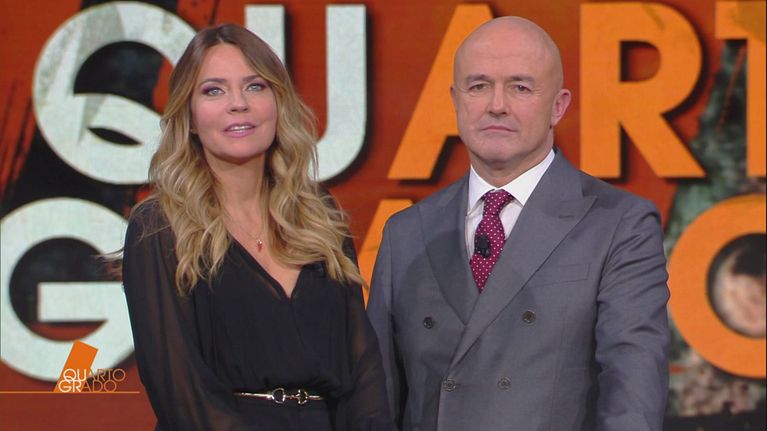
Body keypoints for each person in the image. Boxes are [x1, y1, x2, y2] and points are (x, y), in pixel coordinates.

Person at [367, 16, 670, 431]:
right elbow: (376, 400)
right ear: (455, 100)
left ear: (558, 106)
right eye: (478, 86)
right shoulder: (406, 233)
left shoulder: (619, 225)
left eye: (520, 87)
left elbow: (632, 395)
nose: (497, 105)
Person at [122, 24, 393, 431]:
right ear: (189, 117)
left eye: (255, 86)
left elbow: (363, 368)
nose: (238, 104)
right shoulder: (160, 227)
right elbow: (182, 394)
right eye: (214, 90)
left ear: (278, 102)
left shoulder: (318, 215)